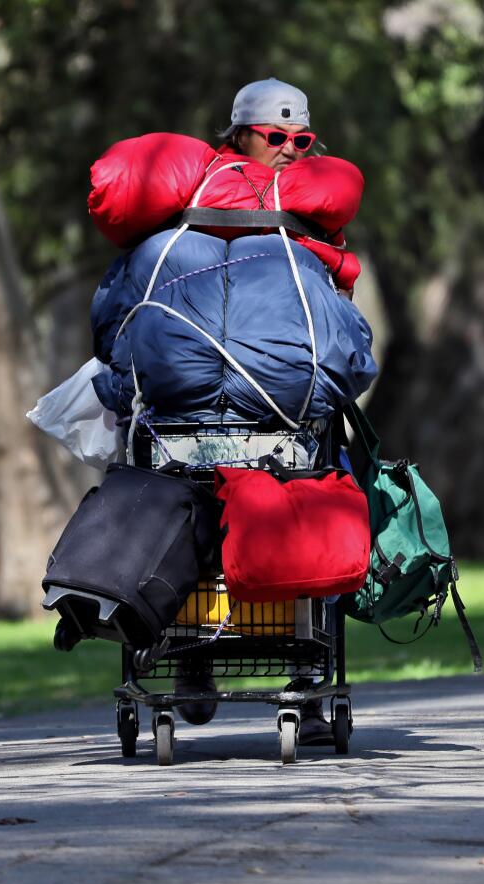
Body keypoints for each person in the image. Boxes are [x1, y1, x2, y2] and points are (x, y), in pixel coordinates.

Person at [175, 77, 336, 747]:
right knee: (188, 512)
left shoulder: (306, 210)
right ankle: (194, 649)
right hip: (200, 407)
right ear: (238, 134)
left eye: (301, 140)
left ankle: (307, 663)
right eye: (276, 137)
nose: (290, 151)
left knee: (327, 497)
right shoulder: (199, 199)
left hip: (276, 407)